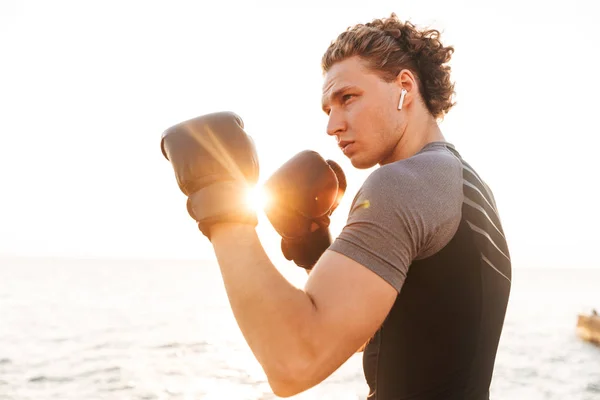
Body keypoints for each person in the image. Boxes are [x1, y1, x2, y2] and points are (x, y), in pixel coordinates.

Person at [160, 13, 511, 400]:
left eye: (348, 98)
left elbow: (293, 364)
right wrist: (318, 253)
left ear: (405, 88)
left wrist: (219, 198)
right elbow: (403, 338)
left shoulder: (402, 184)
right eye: (328, 109)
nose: (333, 125)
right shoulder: (468, 186)